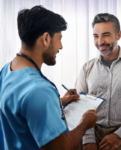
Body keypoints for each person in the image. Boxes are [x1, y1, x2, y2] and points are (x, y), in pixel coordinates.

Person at [0, 6, 98, 150]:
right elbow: (61, 147)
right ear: (46, 38)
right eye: (60, 39)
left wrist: (57, 103)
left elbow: (20, 110)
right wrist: (85, 123)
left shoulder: (7, 70)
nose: (61, 46)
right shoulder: (39, 90)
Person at [75, 13, 121, 150]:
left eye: (106, 35)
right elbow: (80, 105)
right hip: (91, 128)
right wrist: (88, 139)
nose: (100, 41)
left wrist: (119, 136)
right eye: (96, 36)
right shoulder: (87, 68)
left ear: (118, 35)